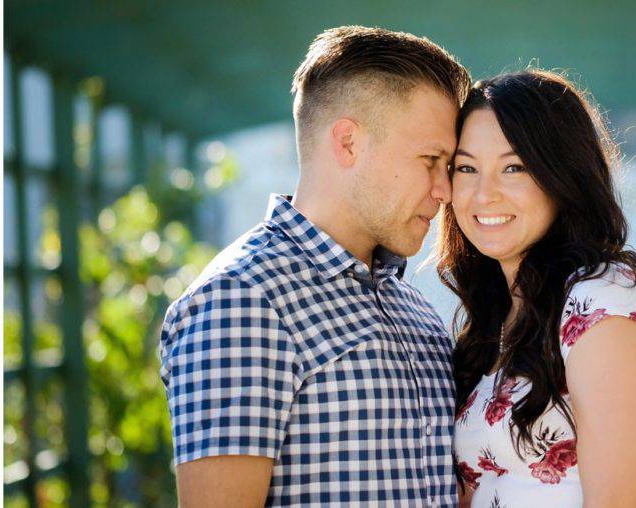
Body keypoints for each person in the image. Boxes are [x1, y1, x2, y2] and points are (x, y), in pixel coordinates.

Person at [159, 26, 470, 506]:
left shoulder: (414, 310)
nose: (444, 190)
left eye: (448, 166)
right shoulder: (241, 302)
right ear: (347, 143)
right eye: (431, 159)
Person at [439, 70, 636, 508]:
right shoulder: (499, 317)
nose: (483, 194)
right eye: (466, 168)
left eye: (514, 167)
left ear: (561, 176)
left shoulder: (605, 300)